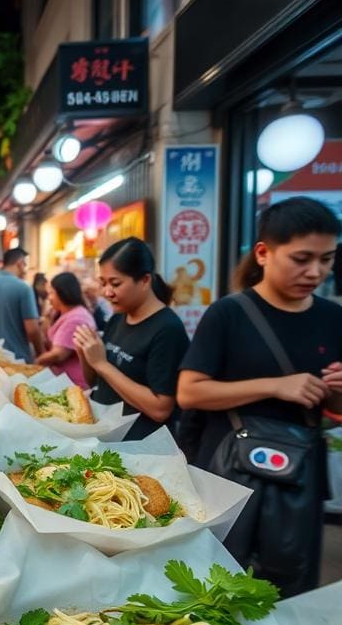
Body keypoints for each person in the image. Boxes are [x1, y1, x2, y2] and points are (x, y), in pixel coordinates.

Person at [177, 197, 342, 595]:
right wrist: (274, 385)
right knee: (218, 584)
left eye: (327, 258)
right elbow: (188, 392)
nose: (315, 271)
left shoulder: (333, 318)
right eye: (302, 258)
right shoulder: (229, 314)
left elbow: (332, 409)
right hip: (229, 475)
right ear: (264, 253)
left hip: (298, 479)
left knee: (288, 587)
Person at [72, 238, 189, 440]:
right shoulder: (118, 318)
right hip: (105, 436)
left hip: (139, 449)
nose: (107, 292)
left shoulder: (168, 329)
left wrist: (102, 364)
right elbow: (97, 381)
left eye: (115, 283)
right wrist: (85, 354)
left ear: (145, 280)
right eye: (103, 283)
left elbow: (160, 408)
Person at [36, 273, 96, 388]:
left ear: (62, 293)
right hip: (61, 380)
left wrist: (36, 362)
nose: (49, 298)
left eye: (51, 293)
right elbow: (47, 341)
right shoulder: (61, 313)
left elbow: (58, 355)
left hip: (72, 384)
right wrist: (47, 319)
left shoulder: (77, 318)